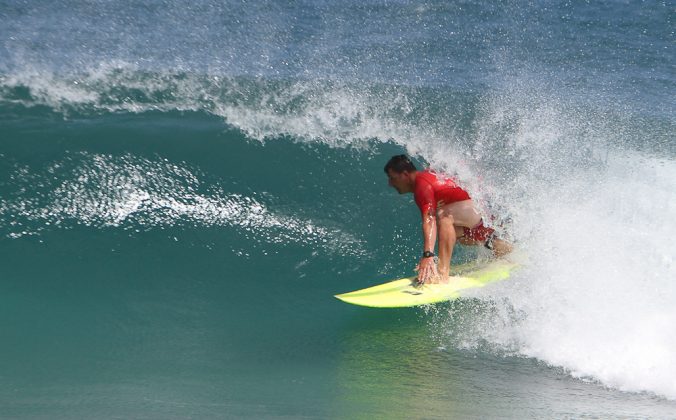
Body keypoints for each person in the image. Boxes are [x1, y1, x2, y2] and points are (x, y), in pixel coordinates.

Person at [384, 154, 512, 284]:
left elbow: (430, 218)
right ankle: (501, 247)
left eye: (392, 178)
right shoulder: (426, 179)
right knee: (452, 233)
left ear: (405, 175)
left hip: (482, 206)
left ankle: (442, 274)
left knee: (443, 215)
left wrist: (428, 255)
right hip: (479, 208)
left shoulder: (422, 185)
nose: (390, 183)